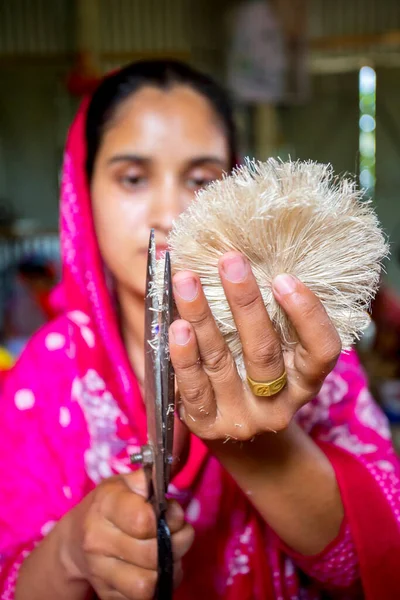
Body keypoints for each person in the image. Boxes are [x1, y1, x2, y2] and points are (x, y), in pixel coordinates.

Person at [0, 60, 399, 600]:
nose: (169, 211)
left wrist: (256, 444)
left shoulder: (306, 348)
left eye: (202, 180)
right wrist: (72, 550)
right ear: (82, 191)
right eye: (133, 177)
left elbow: (377, 562)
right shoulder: (43, 378)